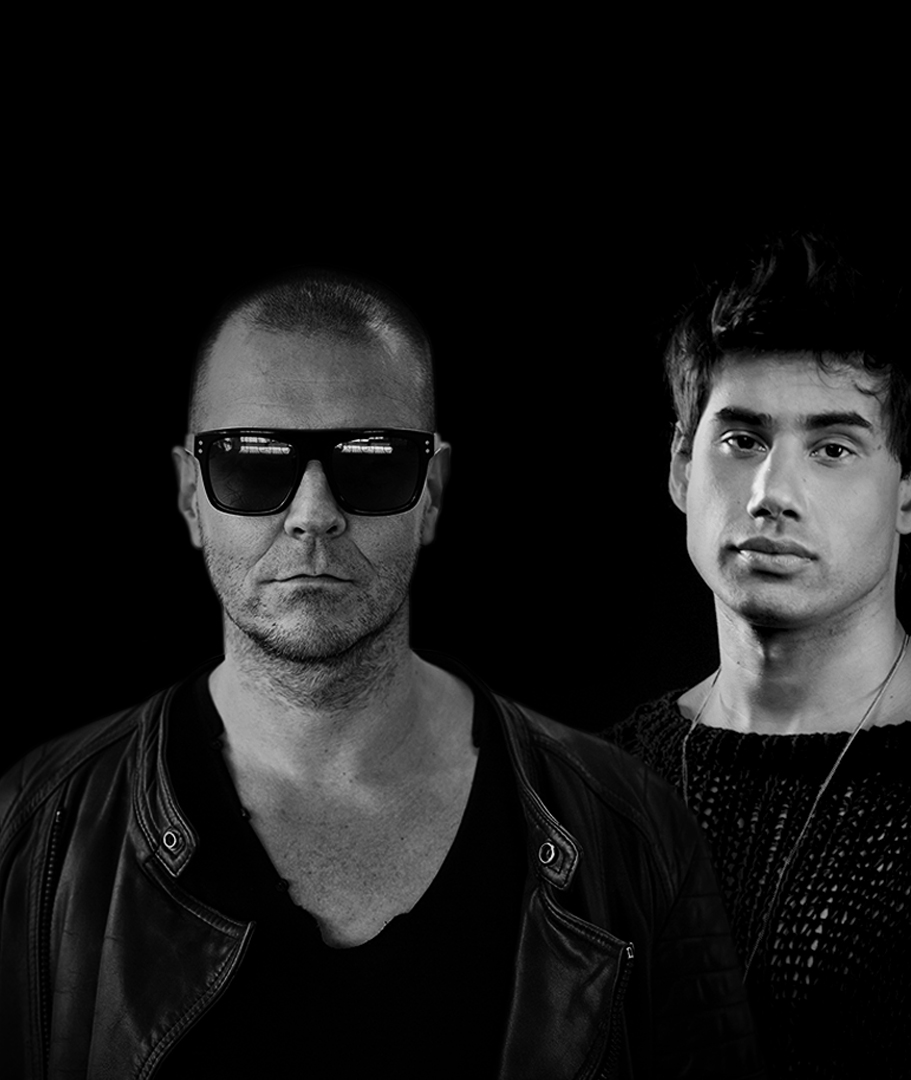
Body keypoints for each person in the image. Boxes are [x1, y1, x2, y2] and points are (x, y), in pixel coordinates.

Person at [0, 271, 764, 1078]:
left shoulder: (630, 831)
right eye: (254, 463)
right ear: (192, 494)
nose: (313, 514)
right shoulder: (33, 832)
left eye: (370, 463)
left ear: (431, 492)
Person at [606, 232, 911, 1077]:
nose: (771, 494)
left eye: (832, 448)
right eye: (742, 440)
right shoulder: (602, 775)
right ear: (680, 466)